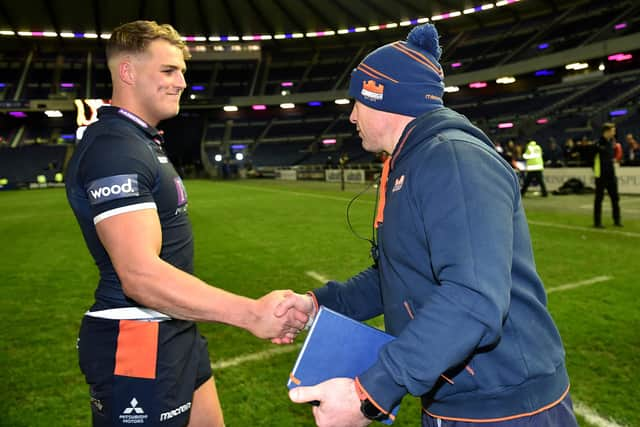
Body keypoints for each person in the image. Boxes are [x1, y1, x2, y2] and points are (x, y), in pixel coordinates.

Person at [277, 23, 578, 427]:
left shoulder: (452, 160)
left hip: (506, 409)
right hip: (455, 401)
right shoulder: (413, 161)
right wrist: (317, 305)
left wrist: (370, 392)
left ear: (382, 97)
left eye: (356, 102)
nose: (351, 116)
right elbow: (399, 273)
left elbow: (473, 299)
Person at [65, 21, 307, 427]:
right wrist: (250, 314)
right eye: (168, 70)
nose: (181, 82)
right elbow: (140, 276)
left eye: (181, 72)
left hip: (175, 328)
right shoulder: (115, 149)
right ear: (127, 72)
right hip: (136, 338)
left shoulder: (139, 140)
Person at [593, 122, 622, 228]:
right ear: (607, 131)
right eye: (613, 130)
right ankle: (597, 222)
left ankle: (617, 220)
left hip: (611, 175)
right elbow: (592, 159)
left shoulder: (611, 143)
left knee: (615, 198)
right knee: (599, 199)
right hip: (601, 176)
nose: (614, 133)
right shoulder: (598, 144)